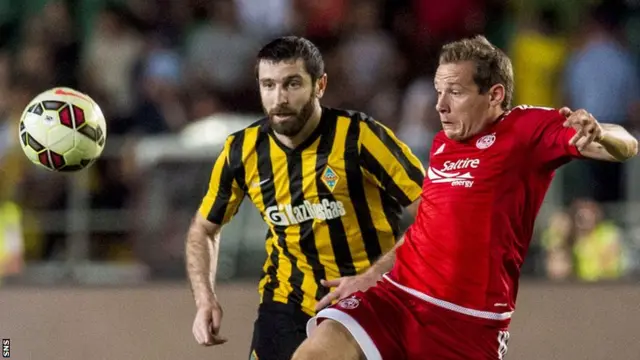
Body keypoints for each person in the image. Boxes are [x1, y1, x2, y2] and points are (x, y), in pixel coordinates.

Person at [293, 35, 638, 360]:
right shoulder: (444, 143)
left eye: (455, 92)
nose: (440, 105)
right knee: (317, 350)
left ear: (495, 94)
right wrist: (370, 276)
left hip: (468, 324)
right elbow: (425, 230)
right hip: (398, 297)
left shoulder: (526, 130)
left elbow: (626, 145)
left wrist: (601, 133)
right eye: (438, 91)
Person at [185, 36, 425, 360]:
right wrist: (204, 299)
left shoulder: (360, 137)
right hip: (285, 303)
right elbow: (204, 229)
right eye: (268, 85)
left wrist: (371, 277)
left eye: (292, 84)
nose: (279, 98)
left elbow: (434, 214)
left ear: (320, 85)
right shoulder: (242, 150)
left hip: (369, 301)